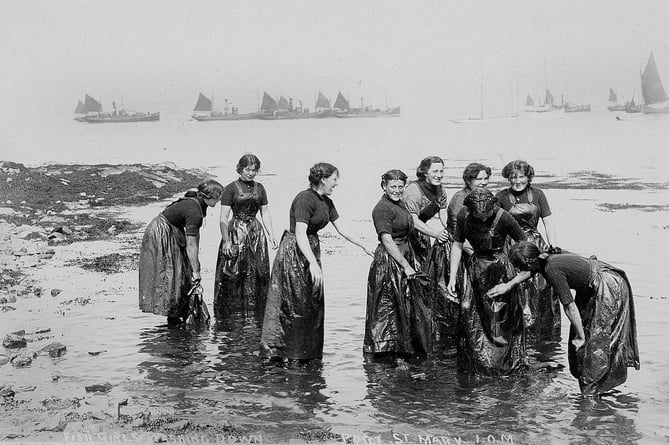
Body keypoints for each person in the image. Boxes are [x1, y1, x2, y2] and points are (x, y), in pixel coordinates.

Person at [260, 163, 373, 361]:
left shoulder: (327, 202)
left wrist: (363, 245)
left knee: (310, 302)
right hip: (294, 252)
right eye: (334, 179)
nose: (336, 183)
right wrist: (312, 263)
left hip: (310, 250)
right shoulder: (305, 198)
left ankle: (306, 351)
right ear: (323, 179)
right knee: (294, 303)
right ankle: (283, 351)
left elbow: (342, 227)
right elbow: (301, 233)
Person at [495, 241, 640, 395]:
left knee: (594, 342)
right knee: (584, 342)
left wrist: (580, 336)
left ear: (529, 262)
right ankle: (593, 395)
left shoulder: (551, 269)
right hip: (592, 286)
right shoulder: (543, 257)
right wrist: (509, 285)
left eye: (519, 266)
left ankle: (592, 394)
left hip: (607, 285)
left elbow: (569, 307)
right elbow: (530, 271)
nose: (518, 270)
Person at [446, 188, 527, 375]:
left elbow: (523, 242)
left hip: (500, 266)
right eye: (478, 215)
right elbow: (457, 245)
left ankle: (503, 360)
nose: (483, 218)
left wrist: (518, 272)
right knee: (469, 309)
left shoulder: (504, 217)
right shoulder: (464, 215)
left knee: (500, 313)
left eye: (486, 214)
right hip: (476, 266)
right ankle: (476, 360)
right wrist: (452, 277)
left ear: (493, 206)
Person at [364, 169, 432, 362]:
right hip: (389, 261)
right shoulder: (382, 209)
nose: (396, 190)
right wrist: (405, 266)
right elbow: (386, 239)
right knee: (387, 307)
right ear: (383, 187)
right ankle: (384, 353)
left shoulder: (400, 203)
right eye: (392, 187)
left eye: (400, 187)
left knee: (404, 305)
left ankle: (402, 351)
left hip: (404, 255)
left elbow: (412, 222)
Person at [139, 179, 224, 324]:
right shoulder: (194, 211)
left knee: (180, 270)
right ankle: (171, 312)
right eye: (217, 198)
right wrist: (197, 271)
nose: (218, 202)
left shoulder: (197, 202)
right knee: (171, 272)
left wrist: (194, 264)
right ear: (207, 196)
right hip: (161, 232)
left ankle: (174, 314)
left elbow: (195, 239)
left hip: (168, 229)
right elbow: (191, 244)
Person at [496, 160, 560, 340]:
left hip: (535, 245)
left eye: (521, 176)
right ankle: (515, 329)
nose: (517, 181)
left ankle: (541, 332)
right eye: (513, 177)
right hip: (512, 246)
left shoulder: (538, 194)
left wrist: (553, 245)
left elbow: (548, 222)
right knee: (515, 285)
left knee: (541, 287)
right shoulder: (500, 197)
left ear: (528, 177)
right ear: (508, 178)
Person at [431, 162, 491, 344]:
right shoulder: (460, 199)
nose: (482, 182)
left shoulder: (486, 196)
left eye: (485, 179)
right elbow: (459, 234)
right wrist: (476, 252)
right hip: (455, 249)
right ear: (469, 180)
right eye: (478, 179)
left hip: (473, 248)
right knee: (454, 298)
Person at [214, 154, 278, 320]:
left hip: (255, 233)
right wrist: (226, 240)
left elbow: (265, 212)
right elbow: (223, 217)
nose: (251, 173)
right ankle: (231, 312)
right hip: (236, 232)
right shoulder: (230, 188)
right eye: (247, 169)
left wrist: (271, 234)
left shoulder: (260, 188)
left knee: (258, 271)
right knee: (233, 272)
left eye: (254, 170)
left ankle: (256, 311)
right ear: (240, 169)